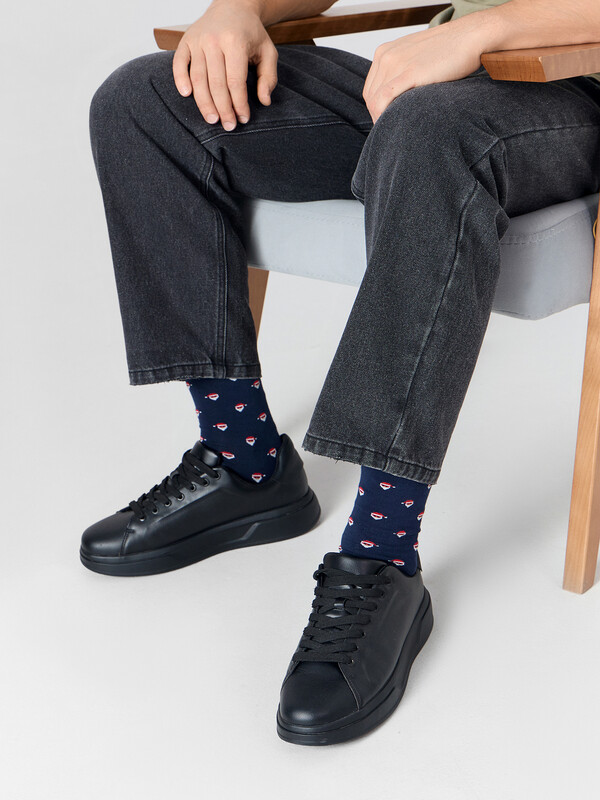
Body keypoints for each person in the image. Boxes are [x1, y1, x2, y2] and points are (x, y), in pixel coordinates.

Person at [82, 0, 600, 745]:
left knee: (431, 130)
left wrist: (481, 31)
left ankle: (381, 553)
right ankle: (246, 464)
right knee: (146, 99)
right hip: (430, 86)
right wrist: (241, 9)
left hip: (570, 94)